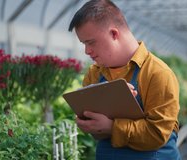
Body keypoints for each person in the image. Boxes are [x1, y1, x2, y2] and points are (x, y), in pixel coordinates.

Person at [68, 0, 181, 159]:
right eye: (84, 44)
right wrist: (86, 122)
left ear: (114, 34)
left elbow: (157, 133)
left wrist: (113, 127)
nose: (87, 51)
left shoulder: (158, 74)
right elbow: (92, 127)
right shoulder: (93, 74)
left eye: (90, 42)